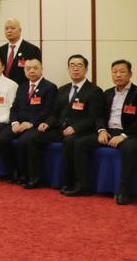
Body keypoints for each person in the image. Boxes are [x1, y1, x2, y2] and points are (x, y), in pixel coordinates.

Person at [75, 60, 137, 205]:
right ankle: (84, 186)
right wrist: (101, 130)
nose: (118, 75)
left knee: (129, 148)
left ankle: (124, 191)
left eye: (122, 72)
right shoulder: (108, 93)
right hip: (109, 131)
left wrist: (123, 136)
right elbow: (99, 116)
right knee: (80, 143)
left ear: (130, 74)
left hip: (131, 134)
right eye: (114, 72)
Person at [35, 55, 103, 196]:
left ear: (86, 69)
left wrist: (76, 128)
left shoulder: (94, 91)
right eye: (72, 65)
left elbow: (94, 118)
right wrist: (47, 123)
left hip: (82, 131)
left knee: (71, 141)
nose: (75, 69)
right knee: (33, 137)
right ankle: (33, 177)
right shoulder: (63, 89)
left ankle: (74, 183)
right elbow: (55, 114)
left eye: (79, 65)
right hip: (60, 129)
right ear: (68, 68)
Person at [7, 58, 58, 188]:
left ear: (41, 69)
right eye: (28, 68)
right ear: (24, 71)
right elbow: (14, 108)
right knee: (2, 138)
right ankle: (13, 172)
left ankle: (32, 177)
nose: (32, 71)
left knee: (26, 140)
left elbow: (47, 111)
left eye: (35, 68)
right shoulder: (22, 87)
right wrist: (14, 123)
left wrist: (31, 123)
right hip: (20, 124)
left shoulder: (50, 87)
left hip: (37, 125)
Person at [0, 18, 42, 85]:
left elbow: (36, 74)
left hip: (22, 88)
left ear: (20, 30)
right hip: (3, 88)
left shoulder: (32, 49)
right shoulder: (1, 50)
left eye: (13, 28)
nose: (9, 31)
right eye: (6, 28)